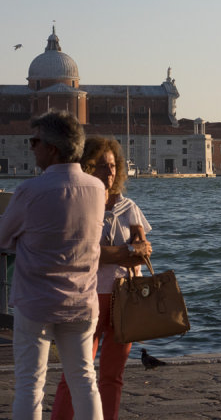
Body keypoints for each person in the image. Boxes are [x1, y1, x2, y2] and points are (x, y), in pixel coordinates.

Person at [0, 111, 104, 420]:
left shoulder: (29, 191)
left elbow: (3, 238)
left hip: (36, 303)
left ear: (52, 148)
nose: (31, 147)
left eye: (35, 142)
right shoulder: (97, 189)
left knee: (30, 385)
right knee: (84, 381)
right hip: (82, 301)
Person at [51, 137, 152, 420]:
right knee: (75, 373)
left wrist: (117, 252)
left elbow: (142, 253)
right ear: (86, 168)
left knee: (113, 375)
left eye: (112, 166)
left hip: (125, 299)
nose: (109, 173)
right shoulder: (78, 207)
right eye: (101, 167)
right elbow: (84, 253)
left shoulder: (128, 208)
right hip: (87, 298)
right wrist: (125, 251)